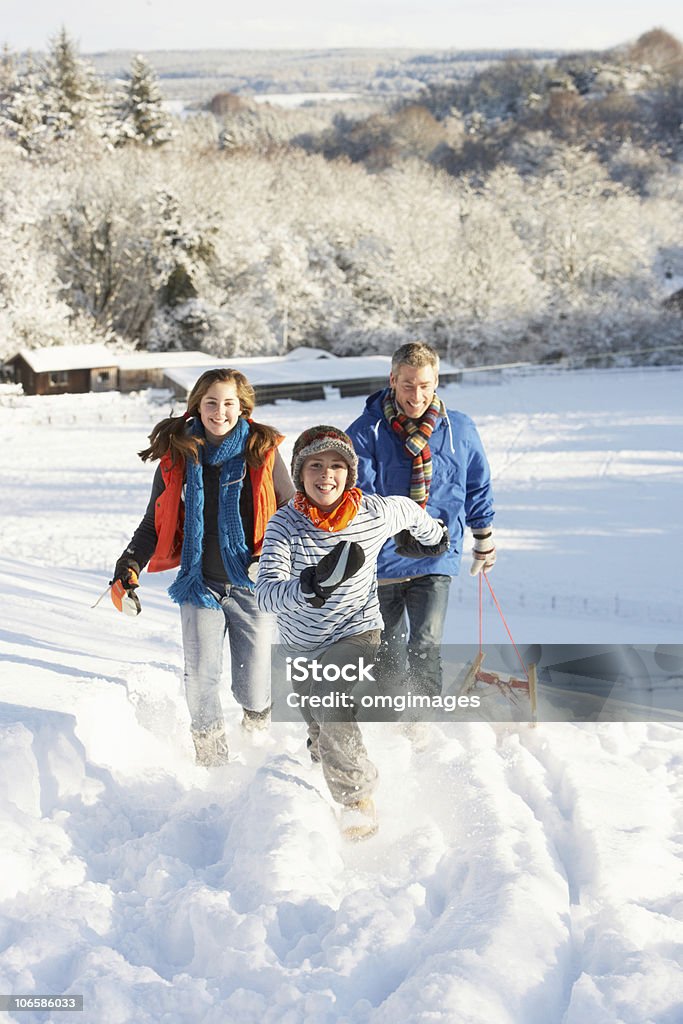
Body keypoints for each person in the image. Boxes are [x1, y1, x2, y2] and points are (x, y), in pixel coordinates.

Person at [255, 425, 448, 840]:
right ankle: (324, 756)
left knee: (331, 700)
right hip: (301, 644)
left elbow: (412, 511)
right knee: (320, 726)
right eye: (316, 466)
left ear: (350, 473)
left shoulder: (373, 512)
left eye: (337, 466)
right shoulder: (283, 525)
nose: (327, 475)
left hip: (357, 631)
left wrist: (434, 538)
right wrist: (305, 586)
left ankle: (358, 799)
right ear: (301, 472)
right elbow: (266, 596)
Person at [112, 368, 294, 767]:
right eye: (211, 402)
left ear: (242, 407)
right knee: (200, 680)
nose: (219, 411)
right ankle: (212, 763)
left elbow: (292, 513)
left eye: (229, 403)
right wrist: (129, 562)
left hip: (253, 586)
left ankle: (257, 738)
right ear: (198, 404)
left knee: (255, 688)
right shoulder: (179, 454)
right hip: (199, 585)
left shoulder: (262, 450)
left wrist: (285, 561)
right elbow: (153, 522)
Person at [346, 341, 495, 703]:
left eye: (425, 385)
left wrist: (484, 537)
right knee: (390, 652)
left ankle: (422, 721)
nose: (417, 394)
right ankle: (393, 714)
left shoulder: (459, 429)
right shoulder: (367, 431)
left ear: (436, 381)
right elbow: (356, 499)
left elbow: (477, 483)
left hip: (436, 557)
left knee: (426, 644)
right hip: (382, 563)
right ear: (393, 379)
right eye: (409, 384)